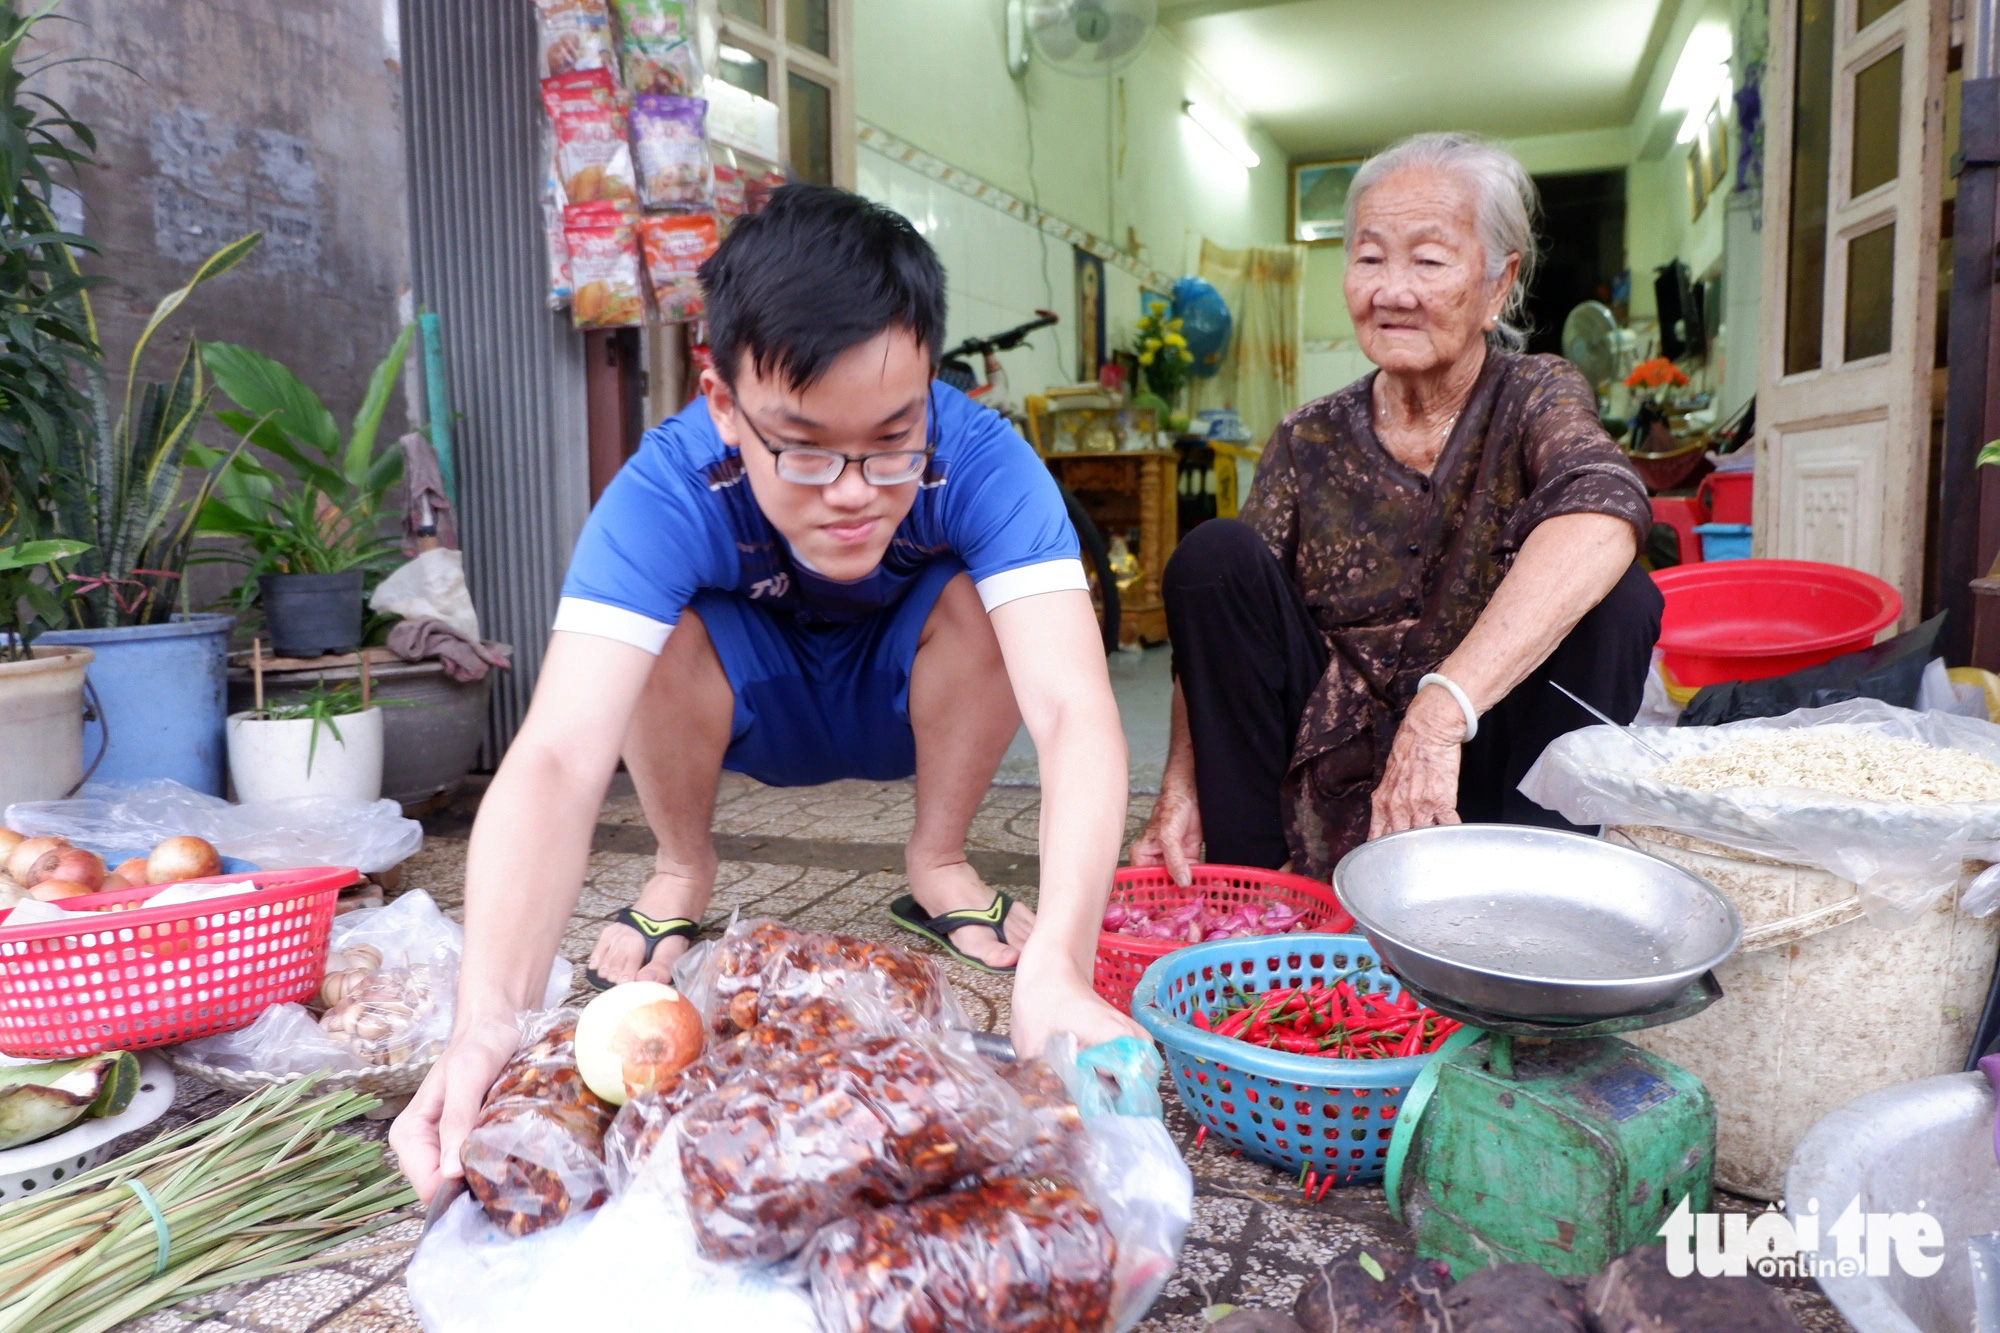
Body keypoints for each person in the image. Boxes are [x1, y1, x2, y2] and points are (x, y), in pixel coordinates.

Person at [391, 185, 1144, 1202]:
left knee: (985, 599)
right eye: (800, 444)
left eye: (889, 440)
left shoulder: (981, 458)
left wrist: (1060, 961)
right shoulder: (665, 485)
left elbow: (1073, 710)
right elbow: (561, 754)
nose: (848, 488)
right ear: (721, 402)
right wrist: (485, 1019)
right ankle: (679, 868)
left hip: (907, 702)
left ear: (928, 388)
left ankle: (938, 860)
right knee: (650, 636)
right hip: (751, 706)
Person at [1132, 132, 1662, 883]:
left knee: (1618, 595)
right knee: (1212, 559)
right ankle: (1261, 895)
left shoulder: (1534, 394)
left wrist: (1442, 710)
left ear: (1498, 284)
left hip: (1476, 773)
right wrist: (1180, 786)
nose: (1392, 289)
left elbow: (1604, 508)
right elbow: (1222, 635)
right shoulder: (1306, 435)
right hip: (1324, 771)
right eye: (1370, 256)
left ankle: (1536, 888)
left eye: (1429, 259)